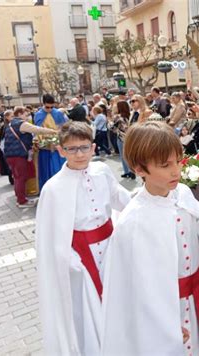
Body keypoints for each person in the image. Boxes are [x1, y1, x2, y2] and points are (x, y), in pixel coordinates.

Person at [101, 122, 199, 354]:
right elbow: (132, 291)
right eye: (165, 165)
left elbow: (189, 237)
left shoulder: (182, 194)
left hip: (196, 303)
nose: (176, 171)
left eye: (178, 161)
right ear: (140, 169)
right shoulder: (132, 222)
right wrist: (162, 327)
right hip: (162, 316)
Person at [36, 121, 130, 354]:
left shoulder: (103, 171)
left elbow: (121, 199)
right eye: (71, 149)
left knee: (118, 300)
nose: (79, 154)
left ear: (93, 147)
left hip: (110, 248)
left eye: (84, 147)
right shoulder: (53, 188)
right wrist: (69, 259)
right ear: (60, 150)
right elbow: (49, 235)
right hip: (81, 258)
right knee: (89, 311)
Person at [4, 106, 57, 207]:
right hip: (18, 154)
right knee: (21, 177)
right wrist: (53, 131)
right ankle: (22, 201)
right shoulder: (21, 123)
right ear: (19, 114)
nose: (27, 116)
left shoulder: (11, 123)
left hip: (10, 155)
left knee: (16, 177)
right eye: (25, 114)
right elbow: (37, 129)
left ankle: (20, 197)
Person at [34, 94, 67, 190]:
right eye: (47, 107)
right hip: (45, 146)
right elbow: (37, 130)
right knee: (46, 168)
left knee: (58, 167)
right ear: (43, 104)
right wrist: (40, 142)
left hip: (57, 144)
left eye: (52, 107)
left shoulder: (58, 113)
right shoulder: (38, 114)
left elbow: (63, 127)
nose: (49, 109)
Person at [112, 100, 135, 179]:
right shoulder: (131, 114)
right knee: (129, 155)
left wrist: (109, 121)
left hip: (121, 138)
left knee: (123, 155)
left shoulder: (118, 117)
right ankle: (131, 171)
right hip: (131, 137)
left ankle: (127, 171)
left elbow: (113, 128)